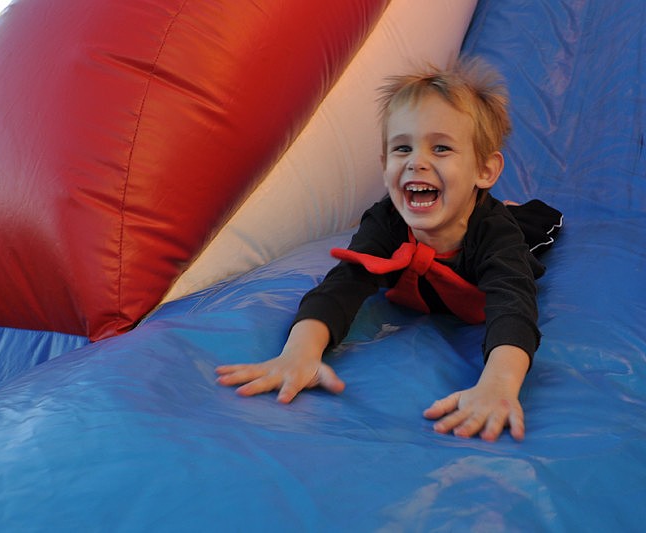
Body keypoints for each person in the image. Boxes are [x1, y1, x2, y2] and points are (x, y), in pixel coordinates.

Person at [216, 58, 561, 442]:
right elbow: (343, 283)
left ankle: (518, 208)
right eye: (402, 148)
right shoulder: (386, 220)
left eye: (441, 148)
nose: (416, 161)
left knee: (535, 228)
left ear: (484, 170)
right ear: (385, 166)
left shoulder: (497, 236)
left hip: (496, 236)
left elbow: (514, 305)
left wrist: (498, 384)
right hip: (432, 258)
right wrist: (300, 353)